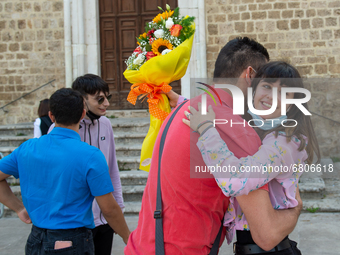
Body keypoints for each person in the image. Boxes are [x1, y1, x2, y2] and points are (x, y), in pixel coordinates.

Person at [125, 37, 303, 254]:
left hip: (142, 246)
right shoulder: (237, 130)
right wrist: (295, 210)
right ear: (250, 76)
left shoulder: (184, 110)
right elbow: (266, 235)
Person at [183, 61, 320, 254]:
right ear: (254, 91)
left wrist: (206, 129)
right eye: (267, 86)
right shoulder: (256, 131)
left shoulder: (285, 143)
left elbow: (236, 179)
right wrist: (181, 103)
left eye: (283, 92)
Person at [0, 88, 130, 254]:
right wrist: (127, 236)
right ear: (82, 114)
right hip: (73, 241)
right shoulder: (90, 155)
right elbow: (109, 209)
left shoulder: (27, 148)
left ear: (51, 116)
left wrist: (18, 208)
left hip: (36, 239)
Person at [48, 74, 124, 255]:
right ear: (82, 100)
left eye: (108, 97)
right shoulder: (59, 129)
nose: (106, 103)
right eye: (100, 99)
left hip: (105, 219)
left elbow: (112, 168)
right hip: (77, 223)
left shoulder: (105, 124)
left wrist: (118, 207)